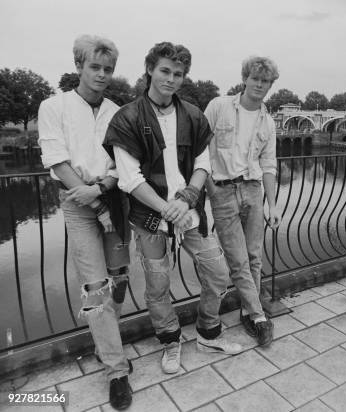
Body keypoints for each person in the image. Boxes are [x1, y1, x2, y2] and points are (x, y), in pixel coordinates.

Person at [103, 42, 246, 376]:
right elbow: (128, 177)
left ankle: (208, 332)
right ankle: (170, 339)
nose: (170, 78)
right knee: (157, 284)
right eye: (165, 70)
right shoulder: (128, 117)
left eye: (178, 73)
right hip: (151, 216)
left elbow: (202, 162)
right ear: (150, 69)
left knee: (218, 271)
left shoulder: (192, 115)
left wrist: (186, 198)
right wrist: (168, 208)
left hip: (190, 212)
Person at [38, 35, 132, 410]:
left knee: (120, 278)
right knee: (95, 287)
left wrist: (105, 189)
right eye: (95, 67)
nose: (102, 75)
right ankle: (116, 368)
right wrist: (93, 199)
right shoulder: (53, 106)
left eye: (108, 69)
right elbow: (57, 160)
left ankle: (104, 343)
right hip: (78, 203)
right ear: (79, 66)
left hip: (113, 199)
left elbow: (123, 164)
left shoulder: (117, 111)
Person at [203, 56, 280, 345]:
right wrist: (209, 185)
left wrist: (273, 204)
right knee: (237, 260)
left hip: (252, 190)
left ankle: (249, 311)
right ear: (245, 78)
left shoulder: (268, 122)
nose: (260, 84)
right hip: (222, 190)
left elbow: (269, 165)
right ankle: (259, 317)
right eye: (255, 78)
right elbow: (200, 147)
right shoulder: (219, 106)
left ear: (270, 85)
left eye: (265, 81)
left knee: (254, 257)